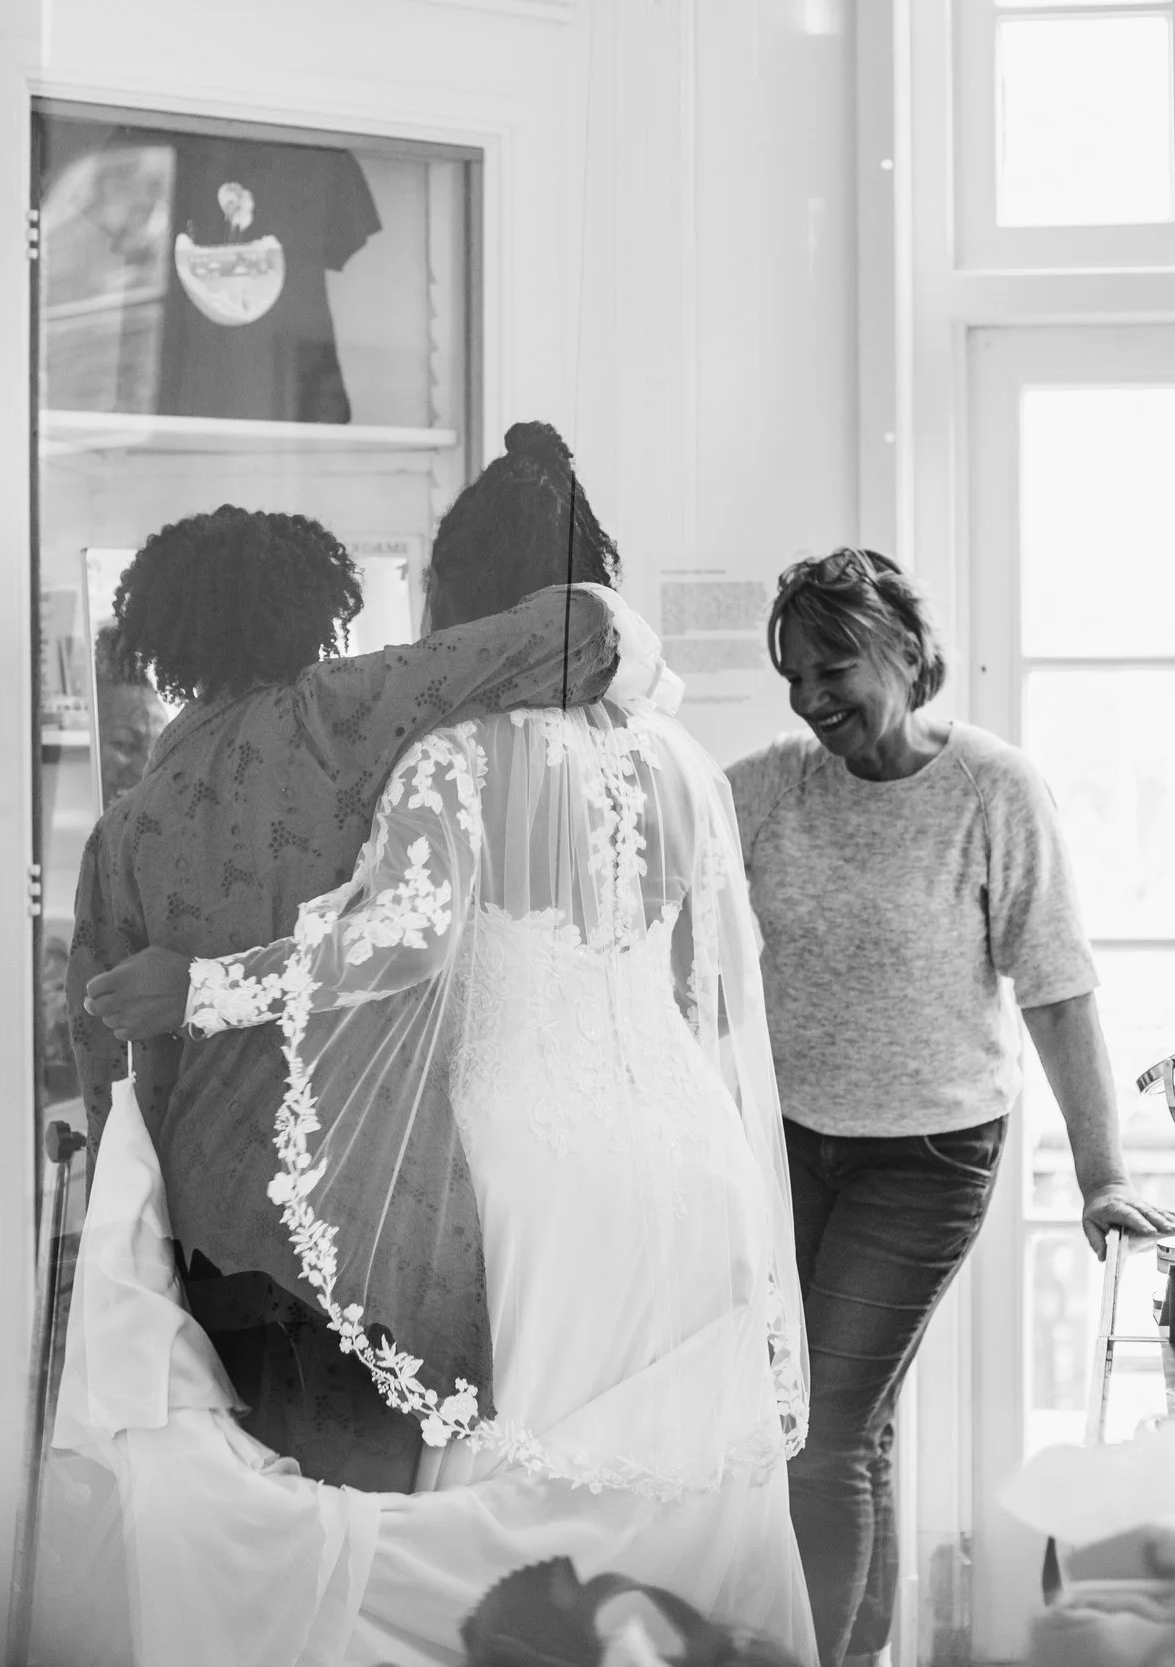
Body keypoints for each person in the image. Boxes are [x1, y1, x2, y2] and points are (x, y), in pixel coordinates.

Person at [70, 425, 815, 1664]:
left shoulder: (430, 764)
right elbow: (706, 985)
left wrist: (196, 998)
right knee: (685, 1503)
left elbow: (386, 949)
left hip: (514, 1169)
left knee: (497, 1522)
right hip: (695, 1158)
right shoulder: (685, 765)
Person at [63, 496, 656, 1494]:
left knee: (266, 1549)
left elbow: (113, 1070)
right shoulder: (358, 705)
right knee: (375, 1547)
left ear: (163, 637)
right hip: (384, 1212)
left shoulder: (127, 825)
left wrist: (150, 1259)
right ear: (318, 608)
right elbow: (588, 636)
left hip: (217, 1233)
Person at [728, 548, 1175, 1666]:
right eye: (793, 673)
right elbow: (639, 835)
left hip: (926, 1156)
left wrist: (1103, 1175)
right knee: (853, 1421)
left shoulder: (990, 787)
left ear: (902, 648)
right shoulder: (768, 786)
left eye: (833, 664)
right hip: (787, 1144)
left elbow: (1056, 984)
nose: (809, 697)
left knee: (817, 1426)